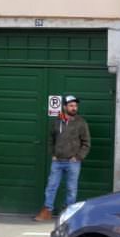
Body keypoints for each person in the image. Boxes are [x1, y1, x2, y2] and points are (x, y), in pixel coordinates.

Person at [34, 94, 90, 222]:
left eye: (75, 105)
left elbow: (86, 143)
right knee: (51, 186)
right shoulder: (57, 121)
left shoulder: (81, 122)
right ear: (65, 107)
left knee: (71, 189)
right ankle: (47, 211)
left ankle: (68, 213)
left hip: (73, 162)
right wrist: (52, 154)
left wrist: (79, 157)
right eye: (71, 105)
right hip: (57, 162)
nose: (74, 108)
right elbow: (50, 139)